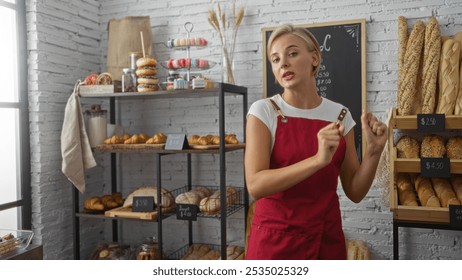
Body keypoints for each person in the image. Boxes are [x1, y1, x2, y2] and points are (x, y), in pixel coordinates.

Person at [244, 24, 387, 260]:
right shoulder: (264, 111)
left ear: (314, 57)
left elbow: (355, 191)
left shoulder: (340, 115)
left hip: (326, 242)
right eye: (276, 59)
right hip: (275, 242)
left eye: (292, 53)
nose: (283, 64)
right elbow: (255, 185)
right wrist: (316, 161)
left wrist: (373, 152)